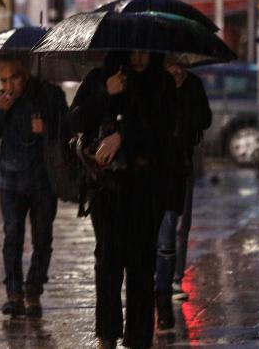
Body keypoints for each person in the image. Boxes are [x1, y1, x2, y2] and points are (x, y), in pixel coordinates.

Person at [69, 50, 175, 349]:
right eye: (133, 50)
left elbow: (164, 131)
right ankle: (107, 333)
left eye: (145, 50)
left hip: (145, 186)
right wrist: (106, 93)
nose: (139, 57)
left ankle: (139, 337)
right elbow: (75, 121)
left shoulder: (160, 83)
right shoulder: (98, 79)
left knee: (141, 263)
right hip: (105, 186)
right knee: (108, 260)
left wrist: (124, 136)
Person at [0, 55, 67, 318]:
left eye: (13, 79)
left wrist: (47, 128)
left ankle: (34, 289)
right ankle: (14, 293)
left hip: (42, 180)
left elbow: (68, 129)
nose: (8, 86)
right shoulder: (0, 101)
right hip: (11, 181)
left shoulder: (49, 95)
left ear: (25, 75)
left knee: (42, 238)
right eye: (3, 80)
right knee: (12, 236)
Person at [155, 56, 212, 331]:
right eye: (171, 63)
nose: (176, 69)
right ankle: (160, 283)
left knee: (179, 224)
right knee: (162, 228)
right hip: (155, 167)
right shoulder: (155, 84)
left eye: (179, 63)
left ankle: (173, 279)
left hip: (182, 164)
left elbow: (204, 119)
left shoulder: (193, 87)